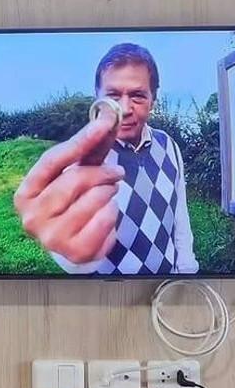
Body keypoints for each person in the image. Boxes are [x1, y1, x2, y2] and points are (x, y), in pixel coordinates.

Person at [14, 42, 199, 275]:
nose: (125, 109)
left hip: (166, 289)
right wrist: (68, 252)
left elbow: (180, 221)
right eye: (113, 95)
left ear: (153, 98)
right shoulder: (81, 163)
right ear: (98, 97)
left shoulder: (169, 145)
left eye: (138, 96)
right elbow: (76, 258)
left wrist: (187, 271)